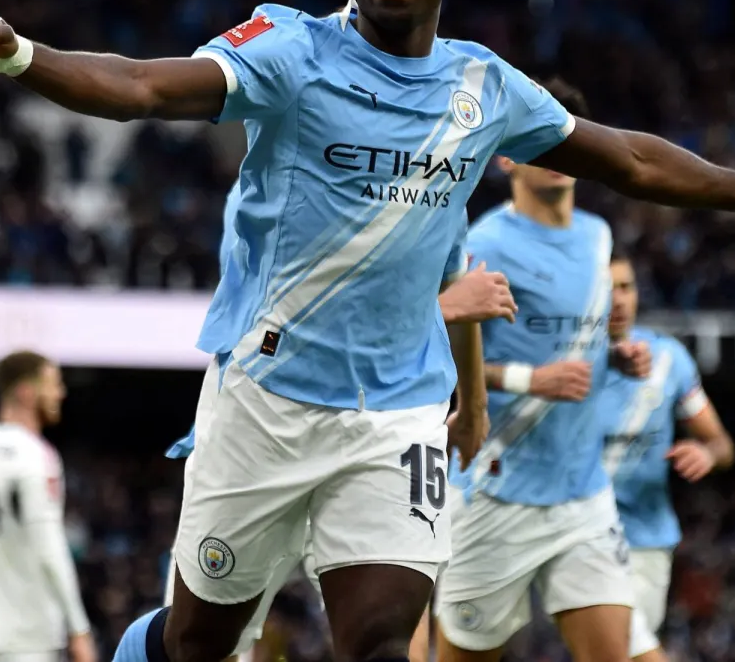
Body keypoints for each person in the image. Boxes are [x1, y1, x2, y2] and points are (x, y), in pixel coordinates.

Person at [0, 0, 735, 662]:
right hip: (264, 399)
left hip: (397, 414)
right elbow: (143, 85)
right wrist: (19, 55)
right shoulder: (291, 49)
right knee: (197, 644)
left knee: (381, 641)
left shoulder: (483, 87)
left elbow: (628, 158)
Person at [161, 178, 517, 662]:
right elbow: (283, 326)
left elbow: (454, 281)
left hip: (387, 429)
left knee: (391, 645)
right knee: (200, 645)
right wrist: (446, 309)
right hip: (268, 434)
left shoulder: (435, 173)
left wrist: (473, 407)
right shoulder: (274, 181)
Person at [434, 81, 650, 662]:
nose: (556, 156)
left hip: (583, 496)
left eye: (565, 142)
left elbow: (579, 334)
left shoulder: (599, 236)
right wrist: (530, 381)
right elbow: (437, 356)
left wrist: (618, 354)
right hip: (497, 493)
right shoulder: (486, 243)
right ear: (506, 158)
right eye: (538, 143)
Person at [598, 251, 735, 661]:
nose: (619, 299)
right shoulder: (564, 364)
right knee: (621, 647)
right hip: (575, 531)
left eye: (626, 287)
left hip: (644, 541)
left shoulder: (668, 360)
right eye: (607, 289)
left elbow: (722, 444)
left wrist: (707, 452)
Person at [0, 351, 96, 662]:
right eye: (53, 384)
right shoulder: (36, 455)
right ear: (26, 392)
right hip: (26, 637)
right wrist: (79, 628)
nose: (61, 393)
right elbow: (49, 547)